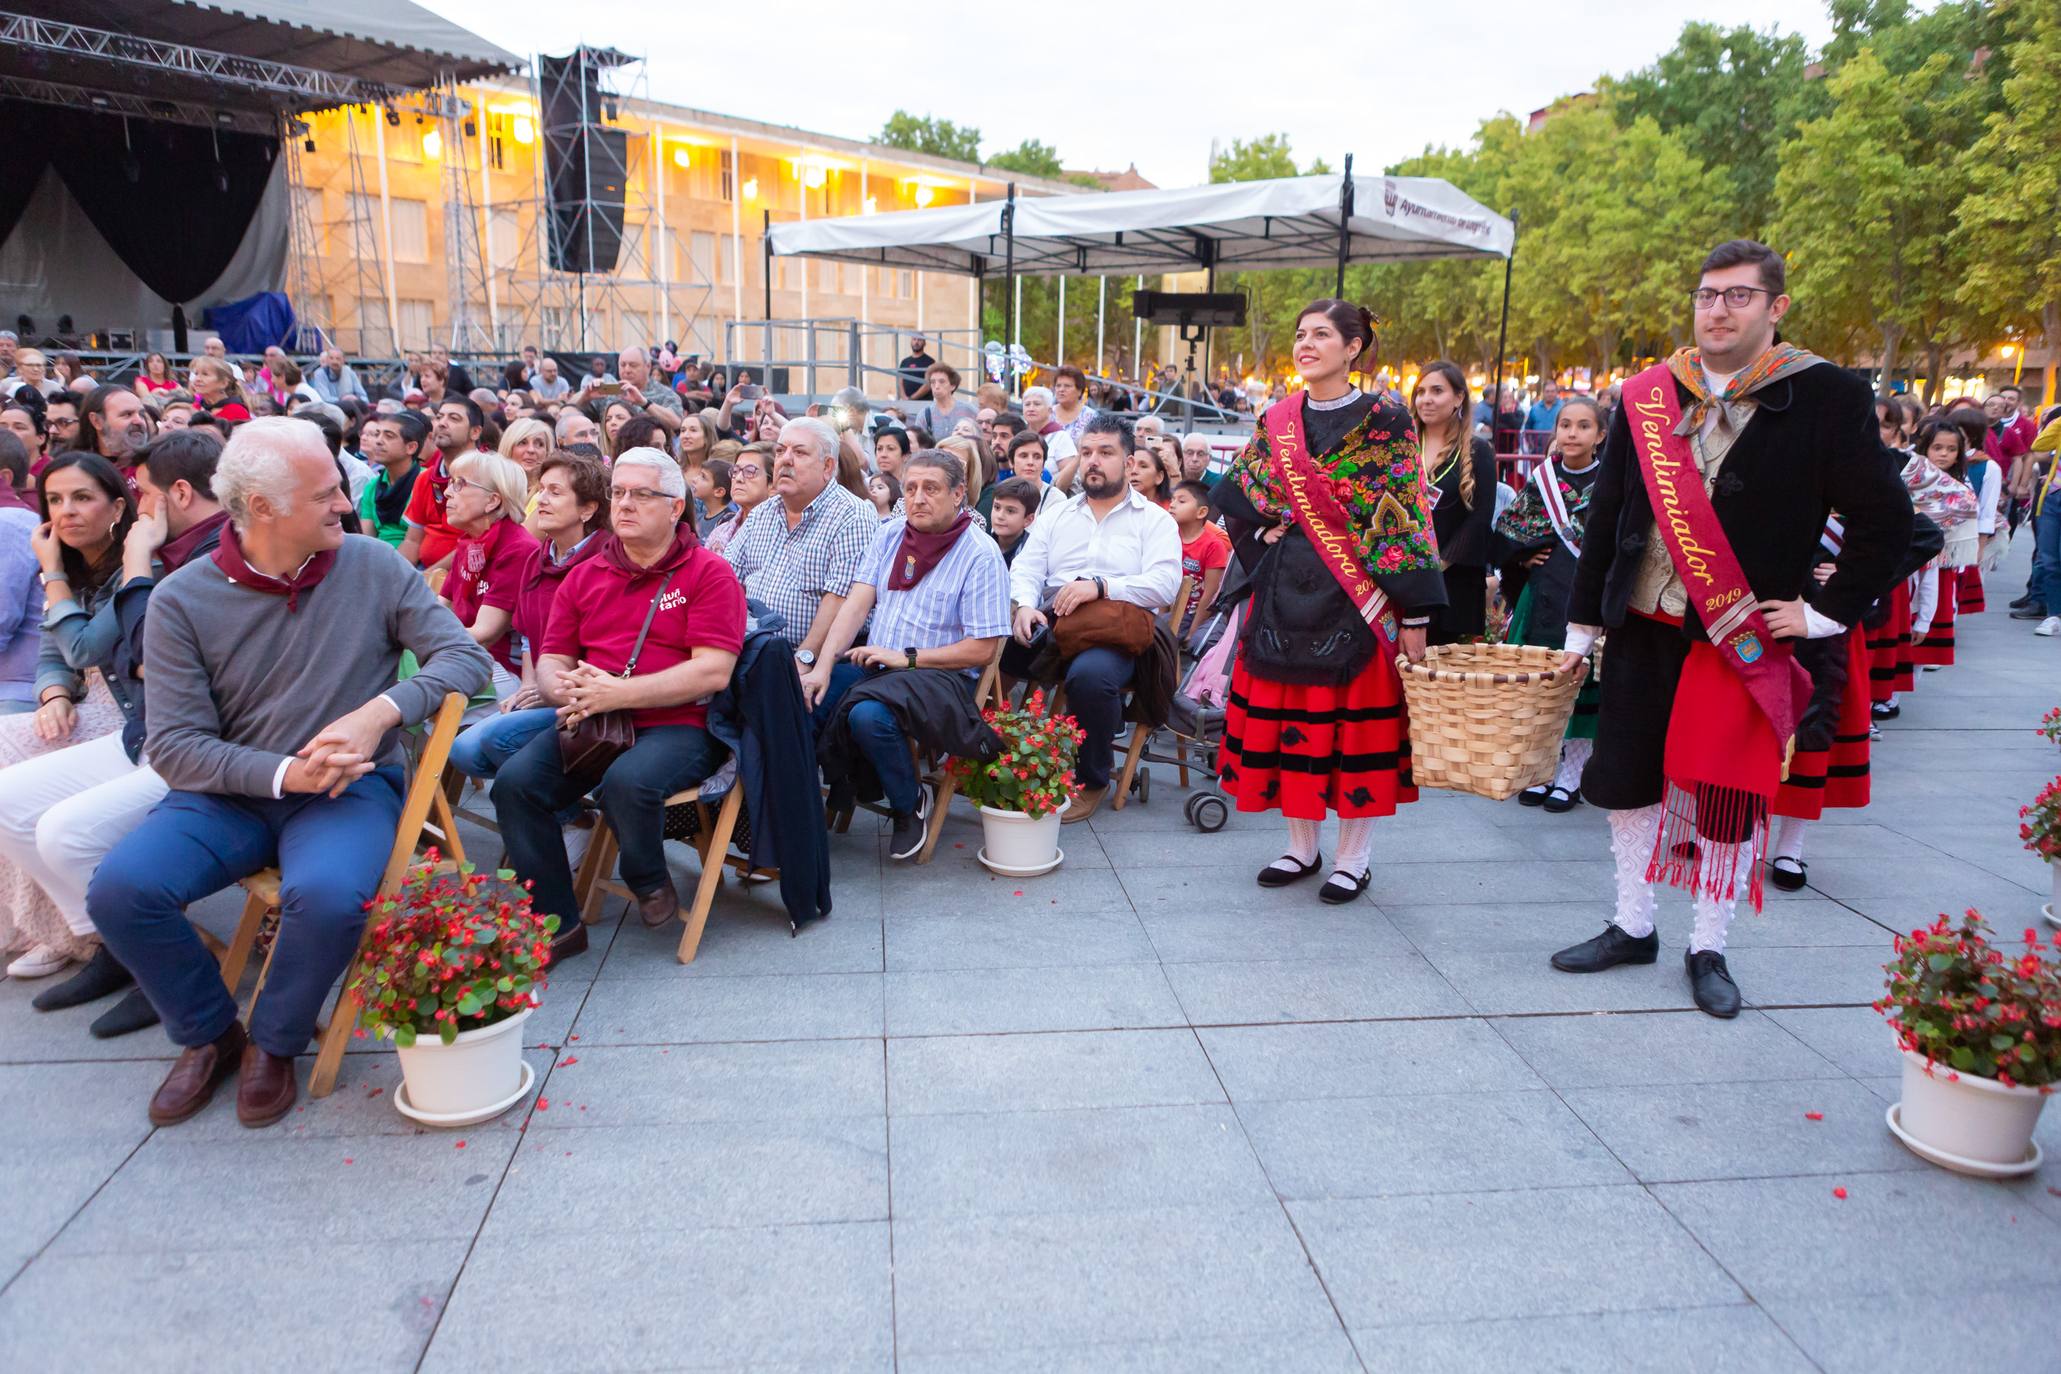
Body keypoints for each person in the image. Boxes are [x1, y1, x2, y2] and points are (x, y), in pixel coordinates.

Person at [83, 419, 491, 1126]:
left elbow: (463, 658)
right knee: (120, 892)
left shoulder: (373, 565)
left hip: (349, 788)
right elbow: (176, 748)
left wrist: (380, 712)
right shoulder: (182, 600)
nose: (345, 503)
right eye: (325, 493)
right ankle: (212, 1035)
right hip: (231, 794)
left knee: (330, 898)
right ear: (261, 508)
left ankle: (272, 1043)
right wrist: (284, 774)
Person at [1547, 240, 1913, 1018]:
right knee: (1625, 780)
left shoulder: (1825, 395)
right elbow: (1607, 519)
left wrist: (1822, 610)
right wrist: (1580, 627)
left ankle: (1706, 944)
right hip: (1642, 625)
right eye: (1707, 295)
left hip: (1739, 636)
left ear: (1775, 307)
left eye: (1737, 297)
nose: (1716, 310)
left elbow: (1888, 521)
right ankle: (1631, 923)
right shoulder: (1648, 392)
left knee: (1722, 795)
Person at [1211, 300, 1446, 902]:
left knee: (1350, 732)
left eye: (1321, 335)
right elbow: (1240, 494)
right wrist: (1263, 533)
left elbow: (1405, 514)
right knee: (1292, 720)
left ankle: (1354, 857)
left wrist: (1415, 612)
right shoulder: (1277, 419)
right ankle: (1301, 847)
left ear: (1354, 348)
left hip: (1359, 596)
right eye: (1300, 335)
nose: (1306, 344)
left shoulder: (1386, 418)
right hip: (1285, 592)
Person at [0, 431, 230, 1035]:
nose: (65, 513)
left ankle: (170, 962)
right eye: (54, 500)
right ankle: (113, 948)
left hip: (187, 739)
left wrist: (65, 571)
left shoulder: (166, 555)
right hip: (145, 725)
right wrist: (54, 688)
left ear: (127, 505)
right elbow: (63, 650)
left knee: (63, 832)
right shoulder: (157, 551)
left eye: (82, 498)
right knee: (9, 798)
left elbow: (90, 644)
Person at [492, 447, 745, 941]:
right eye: (618, 493)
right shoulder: (586, 573)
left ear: (675, 507)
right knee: (514, 785)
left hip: (680, 725)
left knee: (627, 782)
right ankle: (558, 925)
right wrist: (565, 692)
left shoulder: (708, 573)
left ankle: (647, 878)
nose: (624, 504)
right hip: (592, 721)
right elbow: (552, 657)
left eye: (642, 494)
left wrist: (617, 693)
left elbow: (713, 672)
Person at [808, 448, 1011, 857]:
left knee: (868, 715)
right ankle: (821, 797)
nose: (917, 498)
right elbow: (856, 603)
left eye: (931, 489)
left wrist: (910, 658)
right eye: (911, 487)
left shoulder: (980, 553)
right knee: (809, 695)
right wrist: (822, 665)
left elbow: (983, 649)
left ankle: (907, 804)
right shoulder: (890, 533)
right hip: (881, 665)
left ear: (958, 495)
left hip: (940, 675)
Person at [1005, 415, 1182, 822]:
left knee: (1091, 676)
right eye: (1086, 452)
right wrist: (1025, 604)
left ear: (1130, 461)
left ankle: (1093, 778)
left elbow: (1164, 585)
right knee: (987, 652)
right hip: (1051, 620)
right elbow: (1027, 568)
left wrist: (1101, 586)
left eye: (1106, 452)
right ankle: (994, 755)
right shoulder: (1058, 515)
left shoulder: (1153, 520)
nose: (1093, 461)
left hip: (1114, 629)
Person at [448, 451, 608, 785]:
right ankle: (563, 812)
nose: (542, 501)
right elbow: (525, 634)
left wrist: (549, 688)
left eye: (555, 492)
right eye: (541, 490)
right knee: (464, 750)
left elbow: (599, 648)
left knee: (496, 743)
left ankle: (566, 815)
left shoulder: (604, 561)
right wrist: (530, 682)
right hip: (538, 680)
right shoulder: (540, 556)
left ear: (587, 509)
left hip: (582, 696)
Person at [721, 418, 878, 724]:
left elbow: (840, 600)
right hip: (756, 648)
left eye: (800, 453)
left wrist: (804, 658)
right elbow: (726, 577)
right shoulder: (764, 512)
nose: (785, 460)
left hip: (824, 655)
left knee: (785, 711)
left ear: (828, 466)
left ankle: (770, 773)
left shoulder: (852, 515)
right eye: (780, 451)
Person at [1492, 397, 1606, 811]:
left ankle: (1571, 775)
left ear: (1601, 434)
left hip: (1588, 594)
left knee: (1581, 686)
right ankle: (1542, 770)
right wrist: (1522, 556)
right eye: (1565, 425)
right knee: (1542, 687)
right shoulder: (1543, 479)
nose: (1572, 434)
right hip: (1543, 592)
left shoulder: (1612, 479)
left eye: (1583, 426)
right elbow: (1511, 528)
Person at [440, 450, 541, 700]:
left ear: (492, 500)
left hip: (503, 671)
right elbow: (440, 608)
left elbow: (485, 633)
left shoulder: (518, 548)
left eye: (460, 484)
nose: (447, 493)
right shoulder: (471, 541)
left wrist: (426, 640)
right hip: (465, 655)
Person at [1411, 362, 1499, 643]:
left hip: (1451, 586)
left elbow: (1480, 519)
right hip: (1404, 582)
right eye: (1421, 391)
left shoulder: (1478, 450)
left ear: (1459, 397)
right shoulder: (1402, 446)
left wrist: (1438, 565)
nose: (1426, 399)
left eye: (1437, 391)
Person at [398, 396, 485, 571]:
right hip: (424, 572)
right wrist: (397, 577)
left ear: (475, 432)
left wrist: (428, 578)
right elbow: (412, 541)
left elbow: (479, 541)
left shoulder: (487, 478)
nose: (442, 423)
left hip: (468, 574)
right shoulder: (425, 478)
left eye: (454, 418)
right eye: (439, 417)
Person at [356, 410, 427, 548]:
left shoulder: (427, 481)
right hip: (379, 556)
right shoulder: (372, 486)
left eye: (389, 436)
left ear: (411, 447)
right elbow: (367, 539)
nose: (378, 441)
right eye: (377, 434)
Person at [1170, 479, 1230, 640]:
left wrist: (1193, 631)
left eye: (1181, 501)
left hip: (1191, 616)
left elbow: (1210, 593)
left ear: (1201, 512)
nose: (1172, 505)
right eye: (1172, 499)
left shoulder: (1213, 545)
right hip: (1169, 612)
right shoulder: (1169, 537)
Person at [705, 443, 771, 557]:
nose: (739, 478)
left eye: (750, 471)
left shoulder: (778, 534)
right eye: (735, 471)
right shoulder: (720, 530)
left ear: (772, 483)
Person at [915, 364, 977, 439]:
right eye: (933, 382)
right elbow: (919, 444)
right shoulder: (924, 415)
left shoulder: (968, 410)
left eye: (942, 382)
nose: (936, 386)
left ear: (952, 386)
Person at [987, 476, 1038, 566]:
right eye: (997, 507)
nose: (1000, 516)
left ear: (1028, 520)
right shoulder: (983, 545)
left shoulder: (1033, 553)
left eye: (1010, 511)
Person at [691, 458, 737, 540]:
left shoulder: (728, 521)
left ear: (719, 492)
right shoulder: (698, 517)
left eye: (703, 477)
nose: (694, 480)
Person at [1051, 364, 1097, 441]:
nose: (1061, 389)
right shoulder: (1047, 414)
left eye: (1067, 386)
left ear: (1079, 390)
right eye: (1058, 386)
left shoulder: (1091, 417)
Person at [1523, 380, 1563, 455]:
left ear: (1556, 392)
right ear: (1543, 392)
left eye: (1552, 391)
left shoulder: (1563, 407)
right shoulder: (1535, 408)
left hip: (1557, 451)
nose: (1550, 394)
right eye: (1547, 391)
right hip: (1537, 451)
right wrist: (1531, 444)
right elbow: (1528, 427)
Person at [898, 333, 936, 401]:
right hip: (906, 403)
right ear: (911, 342)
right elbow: (900, 382)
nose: (916, 342)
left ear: (924, 343)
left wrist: (911, 398)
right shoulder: (904, 362)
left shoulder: (930, 362)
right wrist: (904, 398)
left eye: (919, 340)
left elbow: (927, 385)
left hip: (923, 403)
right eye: (914, 339)